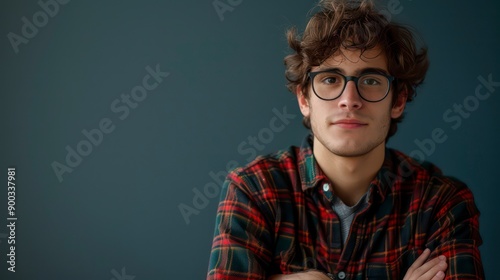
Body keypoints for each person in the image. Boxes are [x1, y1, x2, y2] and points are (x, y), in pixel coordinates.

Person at [207, 0, 484, 279]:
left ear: (398, 100)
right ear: (304, 98)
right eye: (330, 79)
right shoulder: (253, 190)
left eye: (371, 81)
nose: (349, 101)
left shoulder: (441, 203)